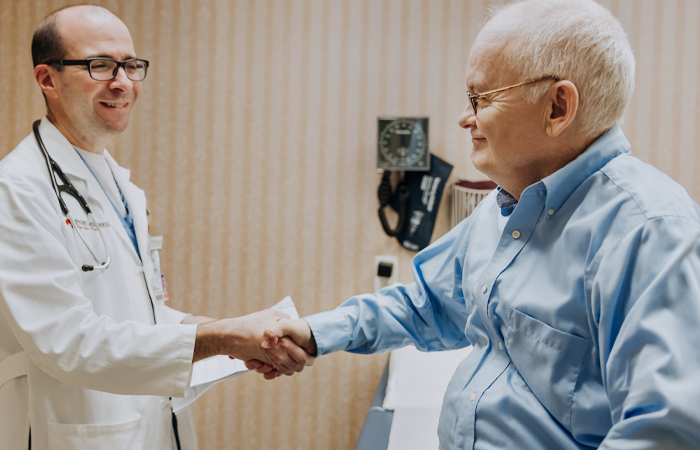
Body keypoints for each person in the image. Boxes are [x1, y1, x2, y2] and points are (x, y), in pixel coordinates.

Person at [251, 0, 700, 448]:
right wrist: (315, 333)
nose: (466, 118)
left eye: (480, 98)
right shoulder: (502, 208)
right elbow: (426, 305)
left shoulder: (648, 230)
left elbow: (661, 433)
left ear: (558, 107)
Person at [0, 6, 312, 450]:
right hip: (74, 430)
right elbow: (68, 341)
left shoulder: (118, 185)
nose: (123, 81)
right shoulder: (17, 189)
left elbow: (137, 312)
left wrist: (233, 332)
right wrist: (220, 337)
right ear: (48, 79)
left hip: (147, 425)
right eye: (100, 65)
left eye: (130, 65)